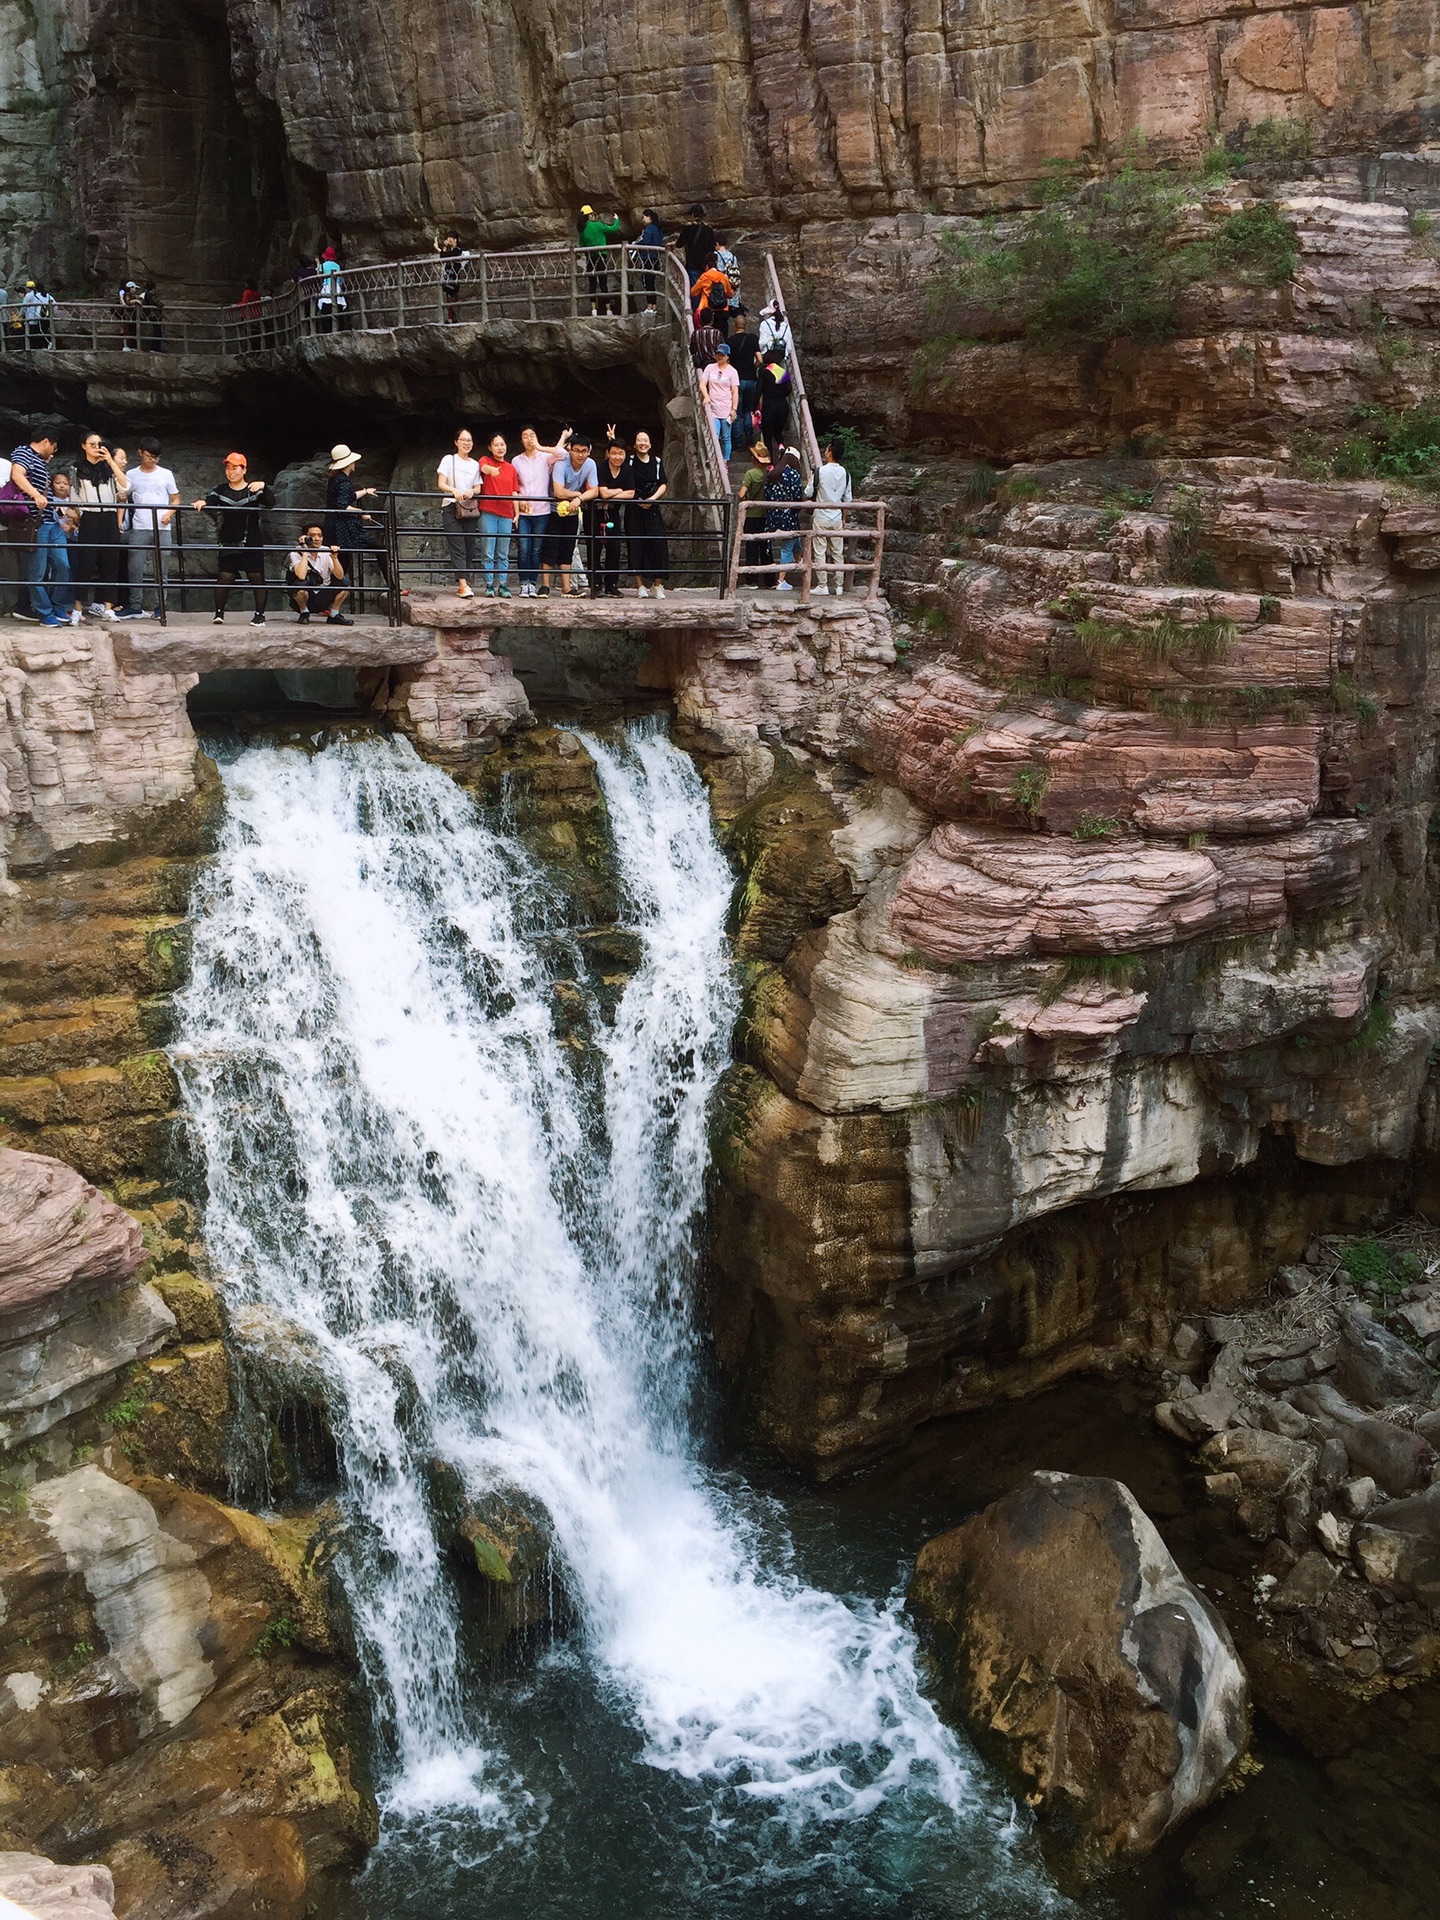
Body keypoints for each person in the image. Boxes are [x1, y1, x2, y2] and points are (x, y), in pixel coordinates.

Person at [192, 452, 272, 625]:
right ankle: (219, 613)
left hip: (250, 539)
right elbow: (211, 501)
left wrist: (264, 486)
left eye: (235, 468)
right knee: (225, 576)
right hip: (228, 538)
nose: (231, 471)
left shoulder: (253, 489)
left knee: (256, 577)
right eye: (228, 468)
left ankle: (260, 615)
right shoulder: (221, 490)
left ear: (244, 469)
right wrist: (203, 503)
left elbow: (271, 502)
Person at [8, 423, 66, 626]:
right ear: (46, 442)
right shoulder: (23, 452)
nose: (54, 451)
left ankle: (57, 605)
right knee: (37, 571)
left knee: (63, 565)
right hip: (36, 522)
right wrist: (35, 495)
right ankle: (44, 613)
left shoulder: (40, 461)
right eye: (54, 447)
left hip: (51, 520)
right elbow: (17, 474)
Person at [119, 437, 180, 618]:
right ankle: (135, 604)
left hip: (162, 526)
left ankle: (160, 606)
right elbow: (124, 496)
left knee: (161, 569)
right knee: (134, 567)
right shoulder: (131, 474)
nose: (152, 460)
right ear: (141, 453)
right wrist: (120, 516)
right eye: (149, 456)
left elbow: (176, 498)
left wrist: (169, 513)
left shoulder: (166, 474)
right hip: (140, 524)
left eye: (156, 457)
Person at [71, 430, 129, 616]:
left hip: (109, 516)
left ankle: (108, 606)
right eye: (92, 444)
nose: (97, 448)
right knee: (86, 561)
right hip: (89, 515)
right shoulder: (77, 468)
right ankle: (78, 607)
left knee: (110, 561)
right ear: (83, 446)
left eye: (99, 444)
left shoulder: (108, 469)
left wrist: (111, 462)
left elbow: (125, 487)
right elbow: (74, 497)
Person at [512, 426, 570, 597]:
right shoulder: (516, 461)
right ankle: (524, 583)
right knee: (523, 547)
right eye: (525, 436)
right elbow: (514, 485)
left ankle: (532, 582)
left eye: (532, 435)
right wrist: (521, 501)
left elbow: (562, 454)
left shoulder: (545, 457)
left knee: (536, 548)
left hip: (542, 511)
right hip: (524, 511)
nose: (529, 439)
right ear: (521, 440)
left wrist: (541, 446)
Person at [324, 444, 385, 606]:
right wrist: (361, 512)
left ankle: (326, 602)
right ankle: (393, 587)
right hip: (344, 529)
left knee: (341, 564)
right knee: (379, 548)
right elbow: (343, 506)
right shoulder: (343, 482)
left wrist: (364, 491)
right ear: (348, 464)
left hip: (334, 526)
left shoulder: (336, 480)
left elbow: (346, 498)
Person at [544, 434, 599, 597]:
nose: (580, 454)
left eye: (584, 451)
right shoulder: (562, 463)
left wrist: (580, 499)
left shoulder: (590, 464)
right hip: (554, 509)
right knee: (550, 546)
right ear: (570, 450)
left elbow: (594, 490)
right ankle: (545, 586)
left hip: (573, 511)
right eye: (576, 451)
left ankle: (566, 588)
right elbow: (558, 491)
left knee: (567, 548)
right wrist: (577, 494)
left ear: (589, 451)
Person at [436, 427, 482, 598]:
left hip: (469, 508)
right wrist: (454, 490)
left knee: (469, 545)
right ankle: (463, 584)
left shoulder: (475, 464)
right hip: (451, 506)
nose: (467, 443)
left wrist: (472, 491)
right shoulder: (449, 460)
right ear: (456, 442)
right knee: (457, 545)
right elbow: (441, 483)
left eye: (469, 440)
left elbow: (478, 486)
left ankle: (464, 582)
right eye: (463, 440)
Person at [476, 432, 520, 597]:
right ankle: (489, 584)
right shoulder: (485, 460)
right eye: (496, 445)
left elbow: (515, 491)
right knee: (488, 550)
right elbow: (483, 468)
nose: (500, 448)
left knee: (503, 552)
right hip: (489, 511)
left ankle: (503, 584)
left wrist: (517, 513)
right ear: (490, 447)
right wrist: (492, 470)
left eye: (502, 444)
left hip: (507, 513)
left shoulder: (511, 468)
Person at [626, 430, 668, 597]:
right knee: (636, 544)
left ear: (650, 444)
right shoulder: (629, 461)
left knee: (659, 544)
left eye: (645, 440)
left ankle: (657, 585)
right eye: (639, 440)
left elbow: (663, 484)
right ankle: (640, 585)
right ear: (635, 444)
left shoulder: (657, 462)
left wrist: (652, 499)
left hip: (652, 508)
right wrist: (637, 499)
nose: (642, 443)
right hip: (634, 507)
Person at [810, 439, 854, 596]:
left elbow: (808, 492)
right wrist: (844, 519)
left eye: (826, 450)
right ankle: (839, 586)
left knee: (820, 551)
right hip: (836, 517)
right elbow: (847, 500)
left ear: (829, 453)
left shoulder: (820, 471)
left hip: (821, 515)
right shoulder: (845, 474)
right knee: (837, 552)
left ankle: (823, 585)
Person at [592, 440, 634, 597]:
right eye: (614, 453)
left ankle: (611, 584)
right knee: (595, 548)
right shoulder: (601, 467)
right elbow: (603, 493)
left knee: (614, 549)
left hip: (614, 513)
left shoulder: (628, 470)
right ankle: (596, 584)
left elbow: (631, 493)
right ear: (608, 453)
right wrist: (619, 490)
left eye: (621, 453)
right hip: (596, 512)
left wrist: (612, 494)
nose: (618, 457)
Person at [288, 524, 351, 624]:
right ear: (304, 537)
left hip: (323, 593)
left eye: (320, 535)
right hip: (306, 596)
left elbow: (340, 576)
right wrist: (305, 551)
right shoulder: (295, 553)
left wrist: (334, 558)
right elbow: (301, 575)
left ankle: (334, 614)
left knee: (345, 583)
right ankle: (304, 612)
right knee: (300, 585)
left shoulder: (325, 551)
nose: (317, 539)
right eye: (312, 536)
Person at [764, 446, 804, 590]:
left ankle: (799, 558)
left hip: (773, 515)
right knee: (787, 546)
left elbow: (767, 494)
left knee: (795, 538)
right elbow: (797, 495)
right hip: (789, 516)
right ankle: (781, 581)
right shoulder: (793, 474)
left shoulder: (772, 474)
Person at [697, 342, 740, 465]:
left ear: (727, 356)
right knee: (714, 434)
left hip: (726, 408)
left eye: (722, 355)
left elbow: (735, 391)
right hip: (713, 408)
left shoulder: (733, 371)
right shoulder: (710, 368)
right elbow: (702, 384)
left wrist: (734, 409)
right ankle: (712, 459)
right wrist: (706, 396)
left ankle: (724, 461)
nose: (719, 357)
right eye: (718, 354)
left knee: (726, 437)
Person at [737, 444, 771, 585]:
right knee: (765, 547)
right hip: (765, 515)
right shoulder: (768, 475)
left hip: (752, 515)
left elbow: (741, 493)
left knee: (751, 547)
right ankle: (769, 579)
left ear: (754, 459)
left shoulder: (750, 474)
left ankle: (752, 580)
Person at [578, 206, 621, 315]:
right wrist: (616, 219)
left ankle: (594, 310)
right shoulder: (597, 225)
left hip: (590, 258)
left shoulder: (582, 230)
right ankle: (608, 310)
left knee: (592, 284)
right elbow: (613, 229)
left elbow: (581, 245)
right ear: (590, 215)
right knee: (603, 283)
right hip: (601, 256)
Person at [727, 311, 760, 450]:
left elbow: (727, 361)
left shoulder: (730, 341)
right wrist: (753, 367)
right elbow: (760, 359)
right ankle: (749, 437)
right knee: (748, 410)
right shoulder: (752, 339)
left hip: (736, 381)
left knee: (736, 411)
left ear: (735, 326)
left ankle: (738, 443)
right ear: (745, 326)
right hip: (752, 379)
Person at [758, 351, 792, 453]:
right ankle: (781, 444)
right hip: (783, 406)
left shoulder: (764, 372)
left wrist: (753, 407)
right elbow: (789, 389)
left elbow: (758, 390)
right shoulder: (783, 372)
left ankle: (771, 463)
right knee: (778, 432)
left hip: (769, 407)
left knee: (767, 435)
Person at [632, 210, 665, 312]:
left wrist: (636, 244)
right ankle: (654, 306)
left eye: (644, 217)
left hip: (647, 258)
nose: (643, 219)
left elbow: (646, 241)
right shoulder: (658, 229)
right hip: (655, 258)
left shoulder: (649, 228)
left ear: (649, 217)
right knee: (652, 282)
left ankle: (650, 306)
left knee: (647, 282)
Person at [674, 205, 715, 281]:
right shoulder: (709, 228)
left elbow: (679, 244)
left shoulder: (688, 228)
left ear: (692, 214)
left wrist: (673, 244)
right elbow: (712, 246)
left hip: (693, 264)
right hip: (706, 265)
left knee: (695, 289)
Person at [21, 283, 53, 349]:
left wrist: (22, 314)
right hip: (46, 316)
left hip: (36, 316)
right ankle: (44, 345)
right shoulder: (48, 295)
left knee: (36, 332)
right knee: (43, 330)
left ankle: (44, 344)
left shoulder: (34, 295)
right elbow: (54, 304)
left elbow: (24, 306)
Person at [237, 279, 262, 351]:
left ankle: (249, 349)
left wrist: (236, 305)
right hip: (257, 315)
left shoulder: (247, 292)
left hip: (249, 316)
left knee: (248, 333)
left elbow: (244, 302)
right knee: (256, 334)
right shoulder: (256, 293)